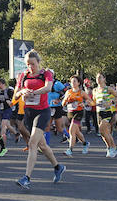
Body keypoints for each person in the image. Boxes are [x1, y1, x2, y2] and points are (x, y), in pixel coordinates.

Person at [14, 51, 65, 189]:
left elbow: (48, 87)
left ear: (38, 62)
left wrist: (33, 92)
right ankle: (58, 167)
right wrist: (22, 92)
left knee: (32, 144)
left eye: (33, 64)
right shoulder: (23, 76)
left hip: (43, 112)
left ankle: (27, 178)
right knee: (42, 146)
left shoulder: (46, 73)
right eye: (28, 64)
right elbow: (16, 94)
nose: (31, 67)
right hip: (29, 113)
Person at [92, 73, 117, 158]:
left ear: (104, 79)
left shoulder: (108, 89)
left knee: (102, 129)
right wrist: (87, 103)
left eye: (100, 77)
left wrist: (111, 102)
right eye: (97, 77)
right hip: (99, 113)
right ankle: (112, 148)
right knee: (104, 133)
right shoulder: (95, 90)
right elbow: (94, 101)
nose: (98, 79)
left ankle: (111, 148)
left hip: (107, 112)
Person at [61, 75, 91, 155]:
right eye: (71, 81)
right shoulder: (68, 92)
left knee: (71, 130)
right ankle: (85, 143)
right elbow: (63, 103)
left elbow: (89, 101)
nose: (72, 83)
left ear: (78, 83)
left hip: (79, 112)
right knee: (76, 131)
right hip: (70, 112)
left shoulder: (81, 92)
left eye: (74, 81)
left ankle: (70, 149)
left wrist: (84, 103)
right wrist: (66, 100)